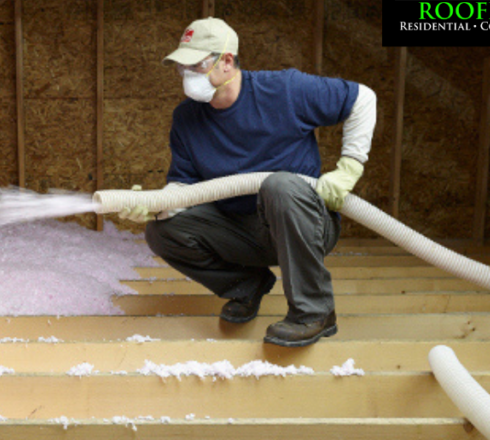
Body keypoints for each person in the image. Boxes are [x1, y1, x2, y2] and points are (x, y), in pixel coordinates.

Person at [121, 17, 376, 347]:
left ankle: (314, 312)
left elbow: (363, 98)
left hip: (305, 225)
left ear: (227, 61)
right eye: (182, 68)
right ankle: (246, 286)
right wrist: (156, 205)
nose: (187, 76)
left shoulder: (284, 90)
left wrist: (349, 167)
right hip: (240, 230)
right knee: (162, 231)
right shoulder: (187, 118)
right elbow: (185, 186)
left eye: (196, 66)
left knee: (279, 186)